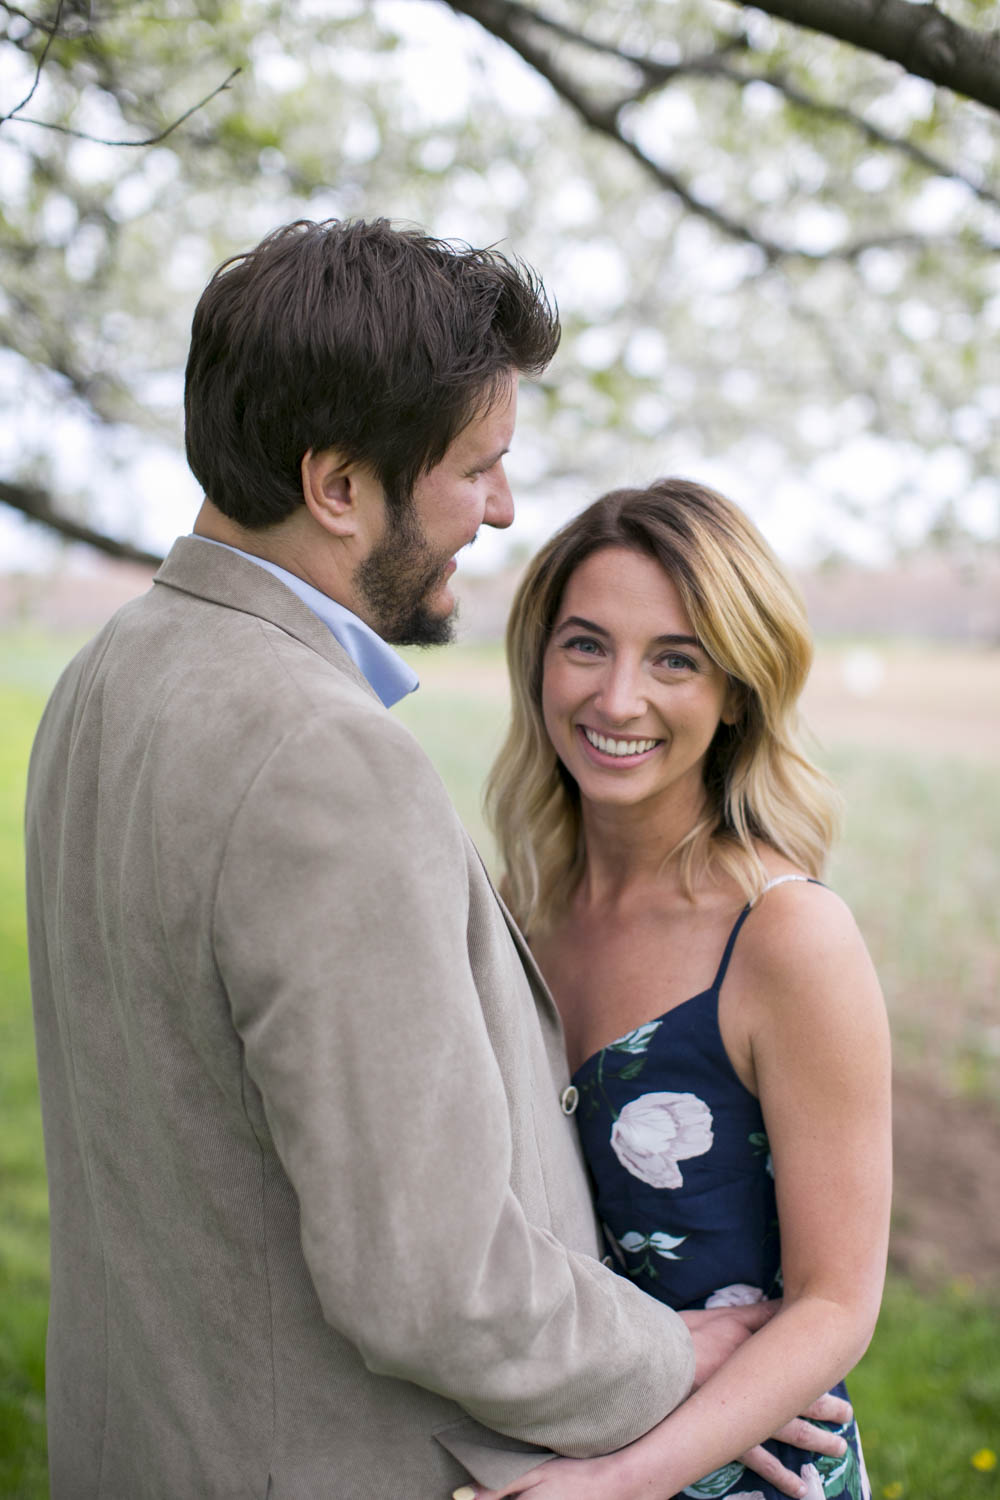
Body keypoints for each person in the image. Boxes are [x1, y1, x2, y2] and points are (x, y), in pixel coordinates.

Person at [24, 223, 844, 1500]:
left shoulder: (102, 681)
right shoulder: (323, 757)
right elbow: (430, 1276)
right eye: (478, 467)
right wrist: (659, 1358)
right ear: (341, 486)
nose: (501, 508)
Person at [479, 479, 892, 1500]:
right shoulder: (508, 915)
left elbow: (835, 1305)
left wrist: (621, 1481)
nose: (617, 699)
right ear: (538, 662)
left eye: (675, 659)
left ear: (737, 689)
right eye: (585, 645)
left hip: (738, 1476)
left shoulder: (784, 937)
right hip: (546, 1446)